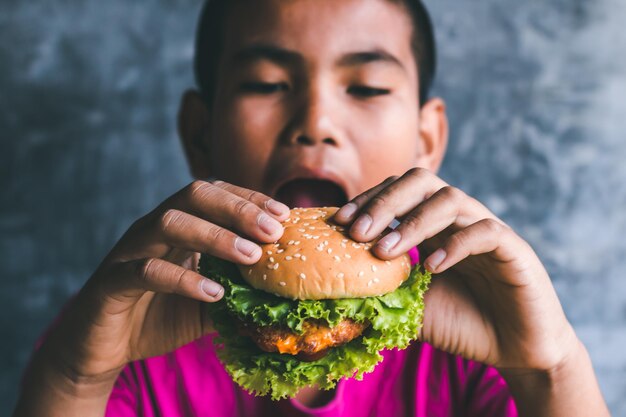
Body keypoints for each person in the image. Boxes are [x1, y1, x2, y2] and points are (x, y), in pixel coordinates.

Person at [13, 0, 610, 416]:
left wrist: (549, 371)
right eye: (268, 84)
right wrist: (76, 379)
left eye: (368, 87)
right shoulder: (125, 331)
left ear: (427, 141)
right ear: (200, 134)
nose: (316, 124)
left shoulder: (483, 336)